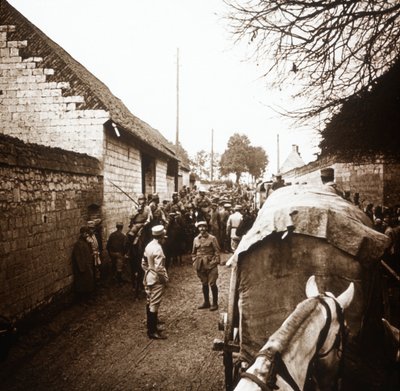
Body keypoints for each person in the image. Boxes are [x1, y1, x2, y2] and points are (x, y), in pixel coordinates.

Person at [142, 225, 169, 339]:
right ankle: (152, 331)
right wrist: (164, 280)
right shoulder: (158, 248)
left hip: (148, 278)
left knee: (149, 300)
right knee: (154, 303)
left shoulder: (148, 245)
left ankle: (151, 326)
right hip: (156, 279)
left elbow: (143, 263)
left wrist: (148, 272)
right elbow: (159, 268)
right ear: (161, 236)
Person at [192, 220, 221, 311]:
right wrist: (194, 261)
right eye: (200, 227)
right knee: (204, 283)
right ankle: (206, 302)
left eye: (204, 227)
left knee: (212, 283)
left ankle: (215, 303)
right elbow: (193, 252)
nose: (202, 229)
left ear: (207, 228)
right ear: (198, 228)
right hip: (200, 265)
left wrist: (214, 262)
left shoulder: (212, 238)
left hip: (211, 264)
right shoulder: (196, 239)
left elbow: (217, 251)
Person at [71, 226, 95, 300]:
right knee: (82, 284)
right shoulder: (78, 244)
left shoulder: (85, 243)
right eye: (86, 233)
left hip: (87, 266)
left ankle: (87, 298)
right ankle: (83, 299)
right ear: (83, 234)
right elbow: (78, 257)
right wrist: (82, 269)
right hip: (82, 268)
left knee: (88, 283)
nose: (87, 235)